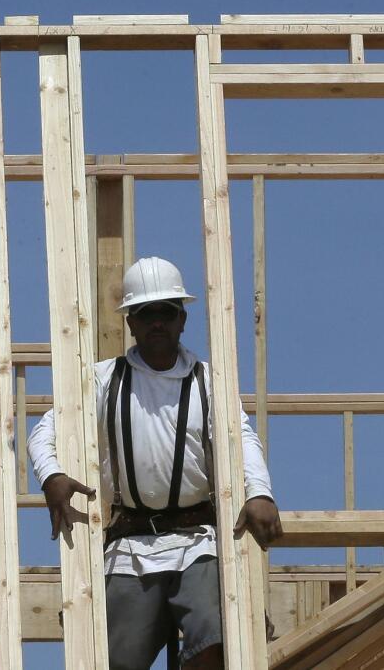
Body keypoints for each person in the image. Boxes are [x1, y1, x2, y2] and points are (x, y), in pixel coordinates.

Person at [28, 256, 283, 670]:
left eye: (166, 312)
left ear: (182, 319)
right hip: (131, 546)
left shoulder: (208, 381)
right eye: (146, 313)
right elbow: (46, 431)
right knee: (111, 658)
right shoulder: (104, 380)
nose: (157, 323)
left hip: (198, 541)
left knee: (218, 641)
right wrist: (52, 475)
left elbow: (241, 439)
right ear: (131, 322)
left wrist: (260, 493)